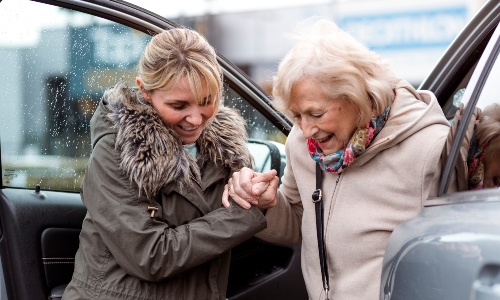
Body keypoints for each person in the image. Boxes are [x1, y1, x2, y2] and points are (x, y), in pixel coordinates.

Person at [223, 18, 450, 300]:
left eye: (316, 114)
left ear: (359, 96)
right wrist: (266, 205)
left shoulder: (430, 148)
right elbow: (299, 222)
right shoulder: (302, 142)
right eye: (296, 116)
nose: (305, 130)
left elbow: (453, 262)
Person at [62, 28, 266, 300]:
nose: (195, 119)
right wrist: (243, 214)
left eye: (207, 102)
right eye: (179, 105)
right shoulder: (117, 149)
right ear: (145, 90)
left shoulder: (227, 151)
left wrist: (257, 193)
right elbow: (151, 255)